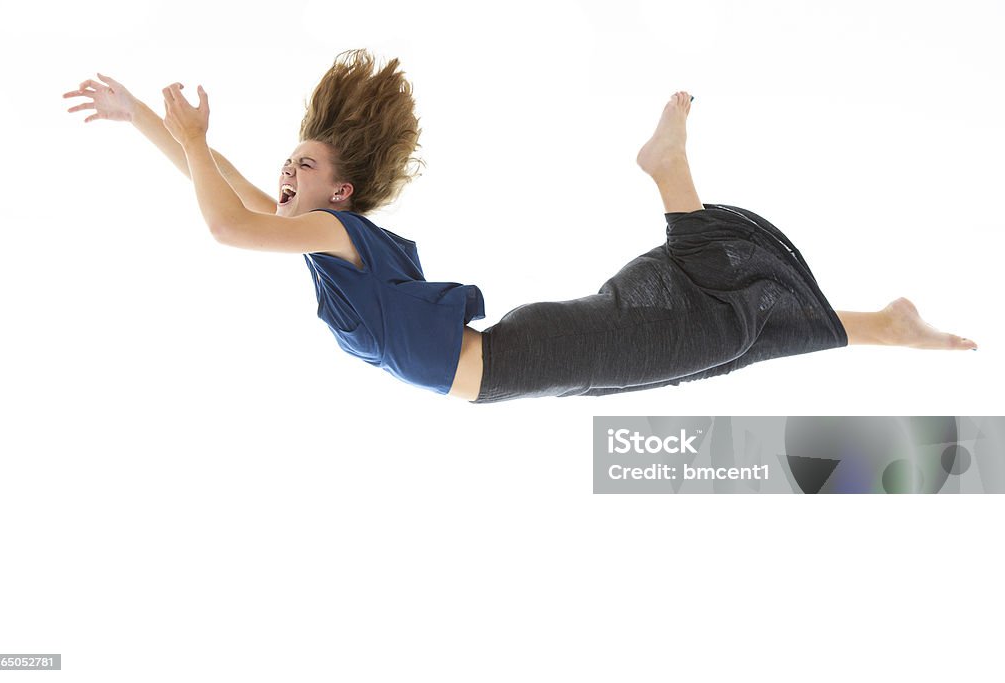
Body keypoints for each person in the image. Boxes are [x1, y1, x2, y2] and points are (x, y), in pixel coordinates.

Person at [63, 49, 978, 405]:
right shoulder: (331, 240)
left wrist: (184, 134)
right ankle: (879, 324)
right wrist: (149, 117)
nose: (282, 176)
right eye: (288, 163)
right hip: (521, 358)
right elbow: (218, 181)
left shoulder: (335, 239)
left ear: (340, 194)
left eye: (301, 165)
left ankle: (673, 181)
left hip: (518, 358)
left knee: (714, 326)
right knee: (718, 345)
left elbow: (223, 222)